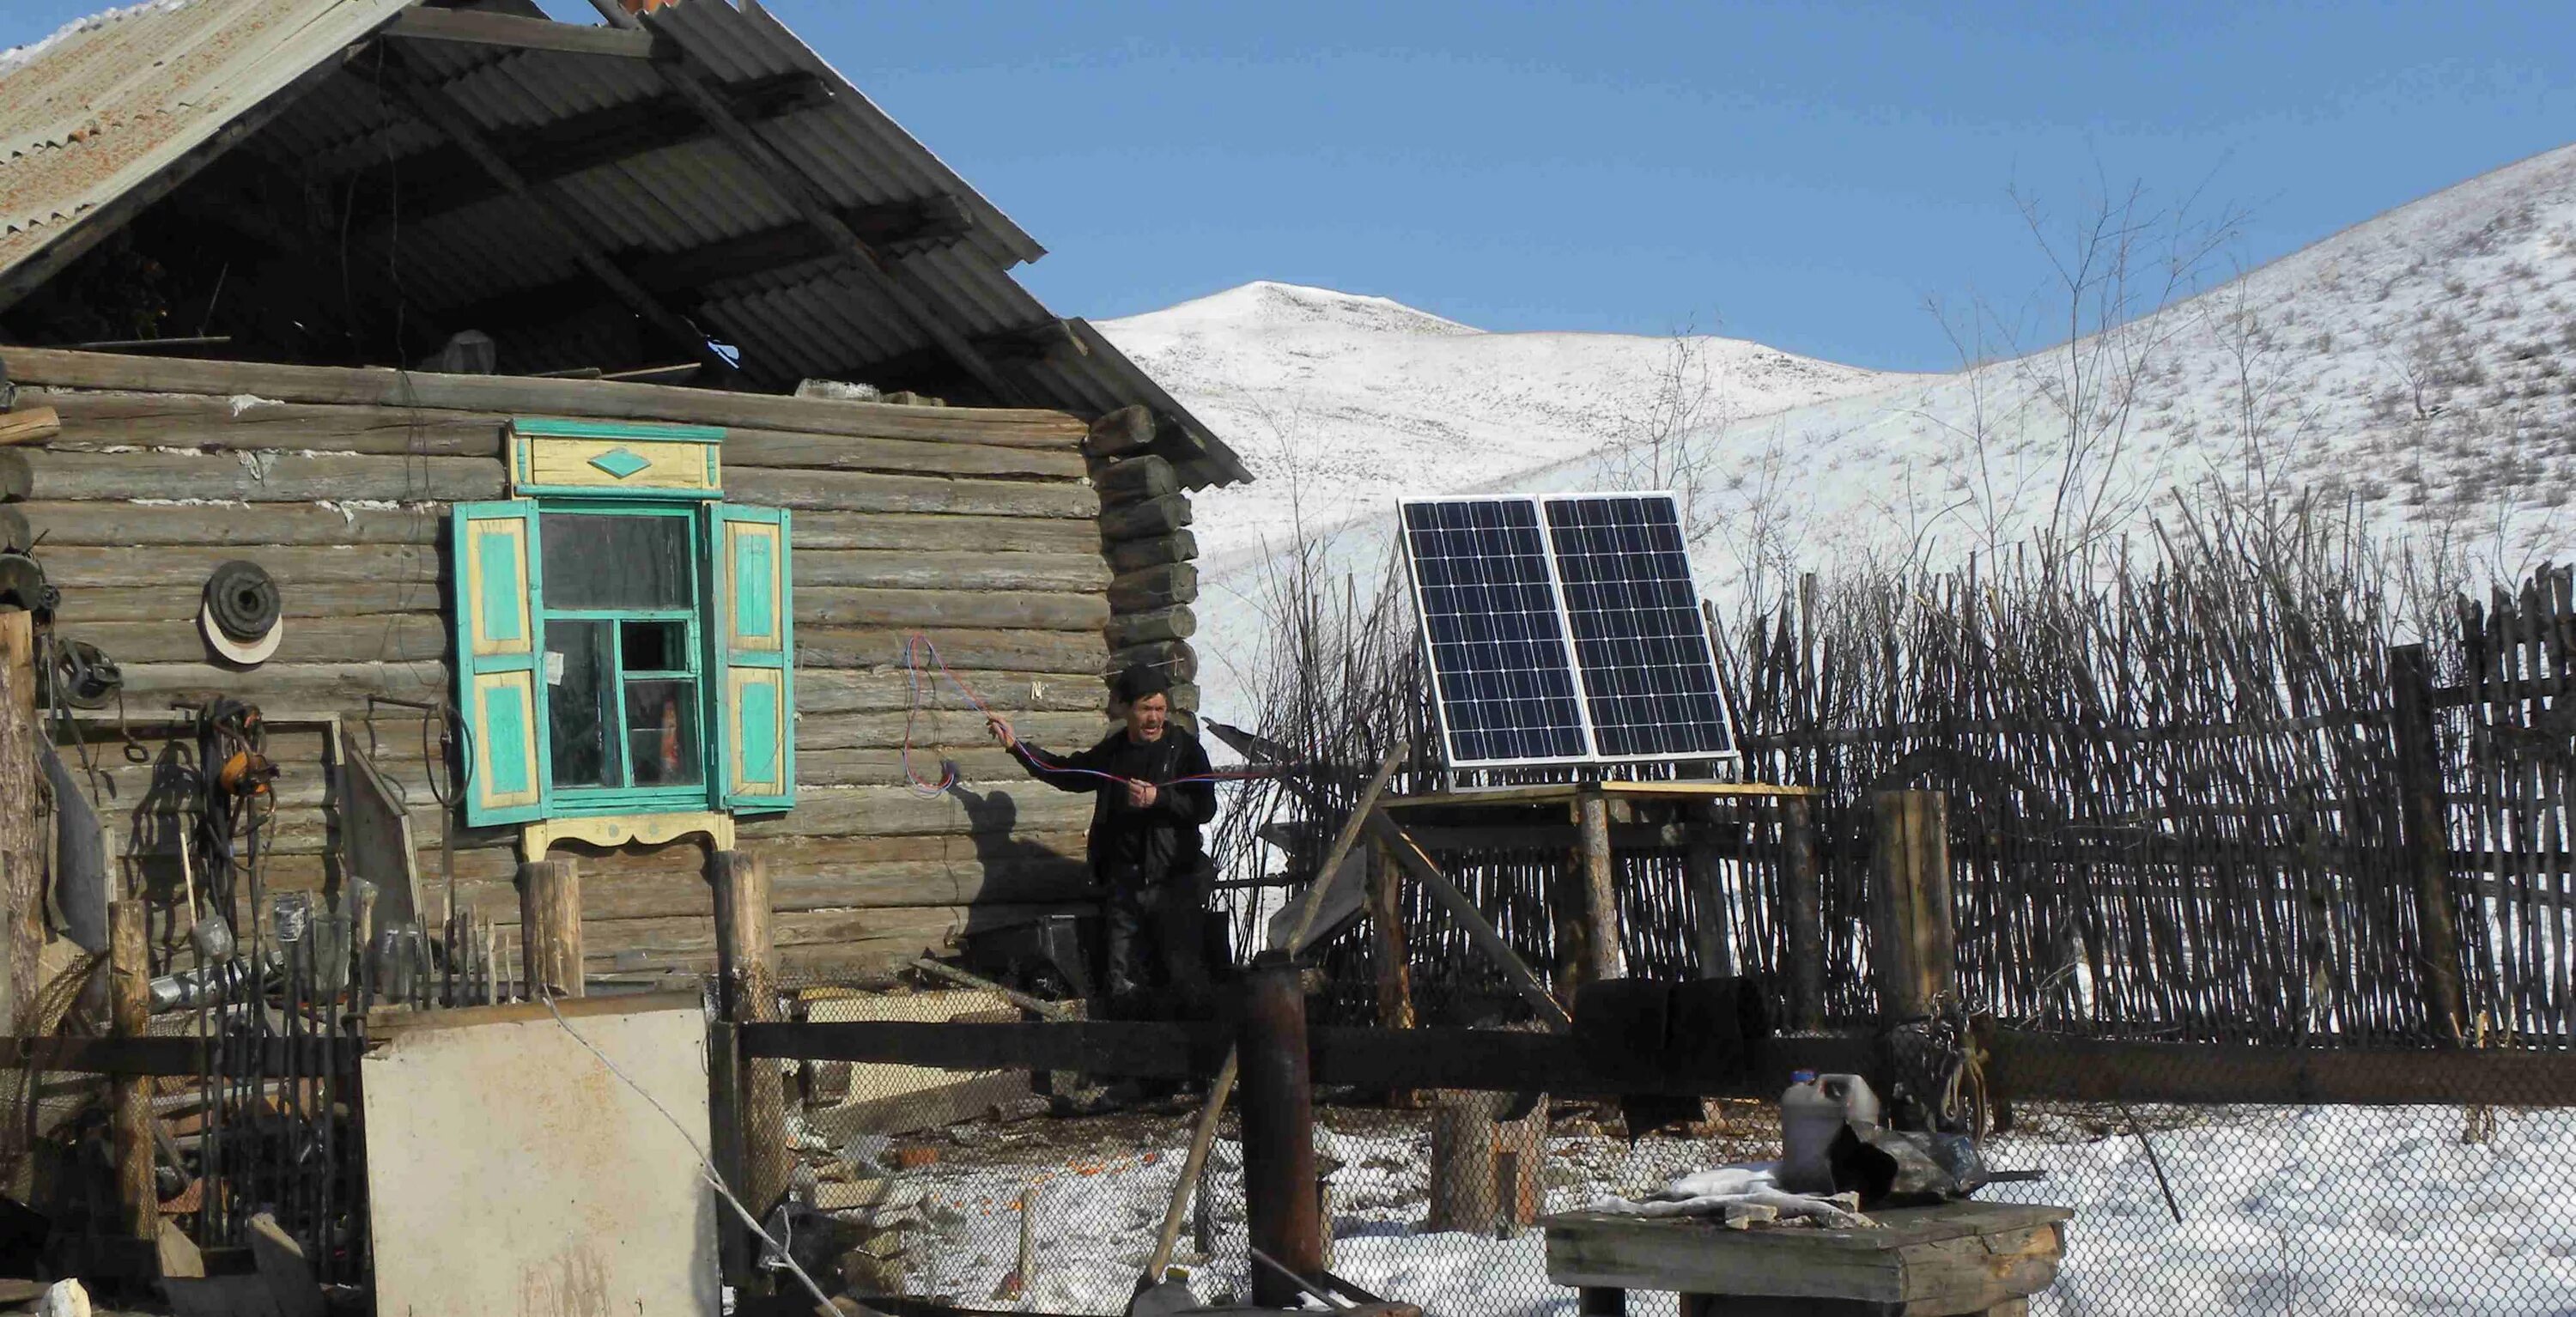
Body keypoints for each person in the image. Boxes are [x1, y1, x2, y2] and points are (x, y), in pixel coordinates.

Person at [987, 666, 1218, 1017]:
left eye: (1159, 709)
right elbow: (1066, 773)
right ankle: (1127, 1063)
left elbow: (1205, 807)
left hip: (1173, 884)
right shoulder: (1114, 752)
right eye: (1145, 709)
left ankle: (1196, 1063)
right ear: (1127, 710)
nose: (1154, 717)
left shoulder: (1185, 751)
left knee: (1183, 975)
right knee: (1122, 982)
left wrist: (1161, 799)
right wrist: (1017, 748)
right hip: (1123, 886)